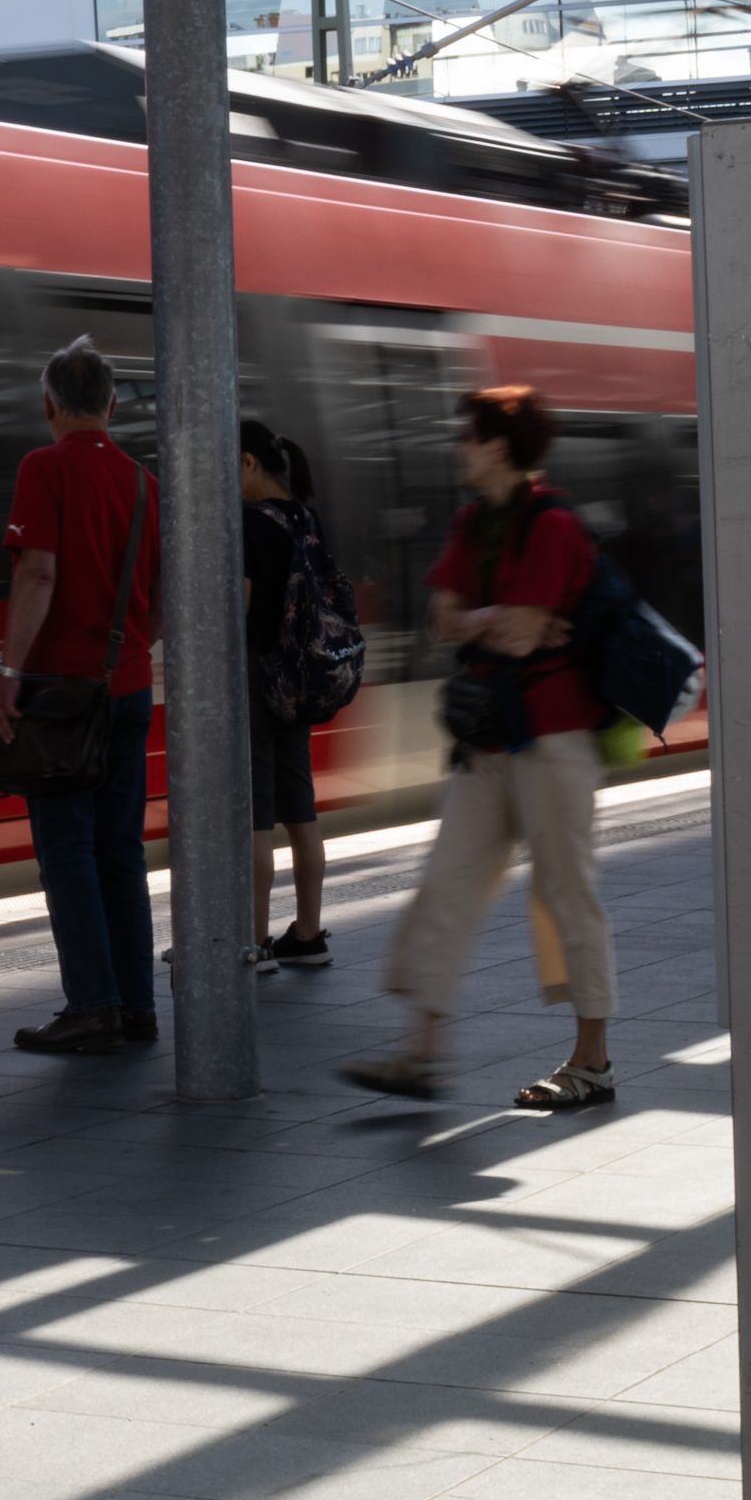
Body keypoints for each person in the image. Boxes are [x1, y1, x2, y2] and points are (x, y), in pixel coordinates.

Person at [347, 386, 617, 1113]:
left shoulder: (554, 525)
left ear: (498, 444)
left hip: (554, 740)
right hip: (489, 741)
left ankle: (591, 1061)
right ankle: (419, 1054)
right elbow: (442, 621)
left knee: (567, 895)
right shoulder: (475, 522)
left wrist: (490, 619)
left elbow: (525, 636)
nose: (458, 448)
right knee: (446, 882)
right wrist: (497, 617)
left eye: (467, 437)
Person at [0, 337, 163, 1055]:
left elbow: (38, 576)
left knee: (67, 851)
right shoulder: (144, 482)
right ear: (113, 406)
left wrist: (8, 674)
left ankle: (92, 1005)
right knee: (119, 848)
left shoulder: (44, 466)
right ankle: (137, 1005)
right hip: (128, 689)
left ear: (49, 405)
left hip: (61, 696)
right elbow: (160, 593)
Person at [239, 419, 337, 972]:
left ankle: (254, 942)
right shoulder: (306, 517)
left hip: (257, 675)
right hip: (300, 679)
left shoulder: (252, 522)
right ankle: (306, 932)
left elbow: (245, 604)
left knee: (256, 812)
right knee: (300, 807)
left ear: (250, 463)